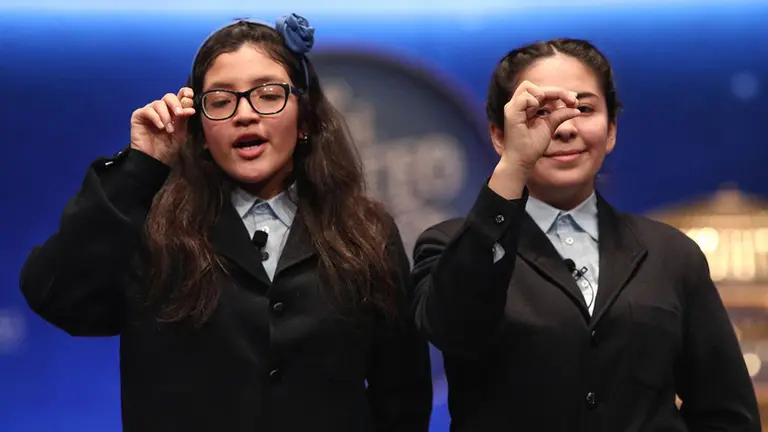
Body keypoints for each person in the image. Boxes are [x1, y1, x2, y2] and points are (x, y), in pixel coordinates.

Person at [20, 14, 432, 432]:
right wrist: (138, 168)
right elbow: (56, 294)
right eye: (220, 101)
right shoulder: (150, 227)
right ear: (198, 128)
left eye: (268, 95)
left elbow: (402, 396)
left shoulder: (367, 232)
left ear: (304, 119)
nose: (245, 115)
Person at [412, 38, 760, 431]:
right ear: (499, 134)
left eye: (584, 108)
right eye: (540, 113)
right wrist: (514, 166)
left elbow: (728, 414)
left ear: (611, 129)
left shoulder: (672, 254)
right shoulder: (448, 246)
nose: (564, 128)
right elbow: (454, 330)